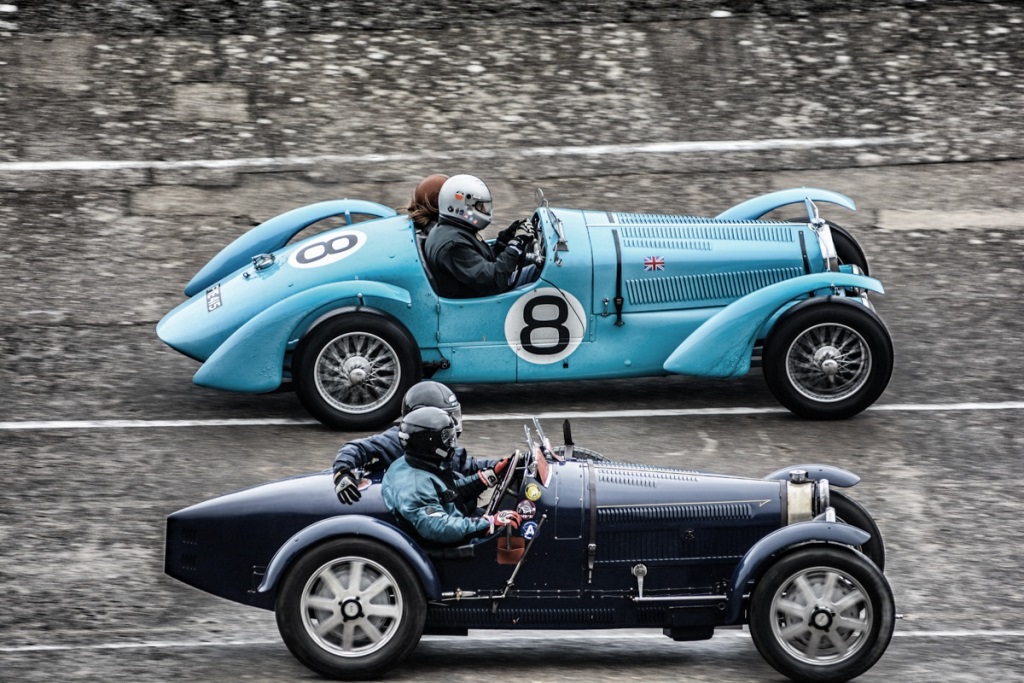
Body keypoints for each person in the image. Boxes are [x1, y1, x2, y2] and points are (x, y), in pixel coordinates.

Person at [332, 380, 505, 504]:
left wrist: (509, 463)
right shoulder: (394, 441)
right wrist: (342, 472)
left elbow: (470, 466)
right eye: (448, 417)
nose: (453, 424)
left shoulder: (441, 449)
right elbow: (356, 447)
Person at [382, 406, 521, 544]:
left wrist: (491, 474)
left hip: (454, 522)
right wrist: (488, 523)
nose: (452, 445)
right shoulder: (414, 485)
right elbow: (439, 527)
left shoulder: (413, 463)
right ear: (428, 443)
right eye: (446, 439)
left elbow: (448, 493)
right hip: (448, 543)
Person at [424, 173, 535, 298]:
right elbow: (493, 280)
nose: (484, 210)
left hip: (483, 290)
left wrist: (506, 239)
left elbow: (482, 262)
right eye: (480, 206)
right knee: (539, 275)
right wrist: (516, 244)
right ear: (461, 207)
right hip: (485, 299)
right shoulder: (453, 246)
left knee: (534, 268)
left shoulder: (454, 229)